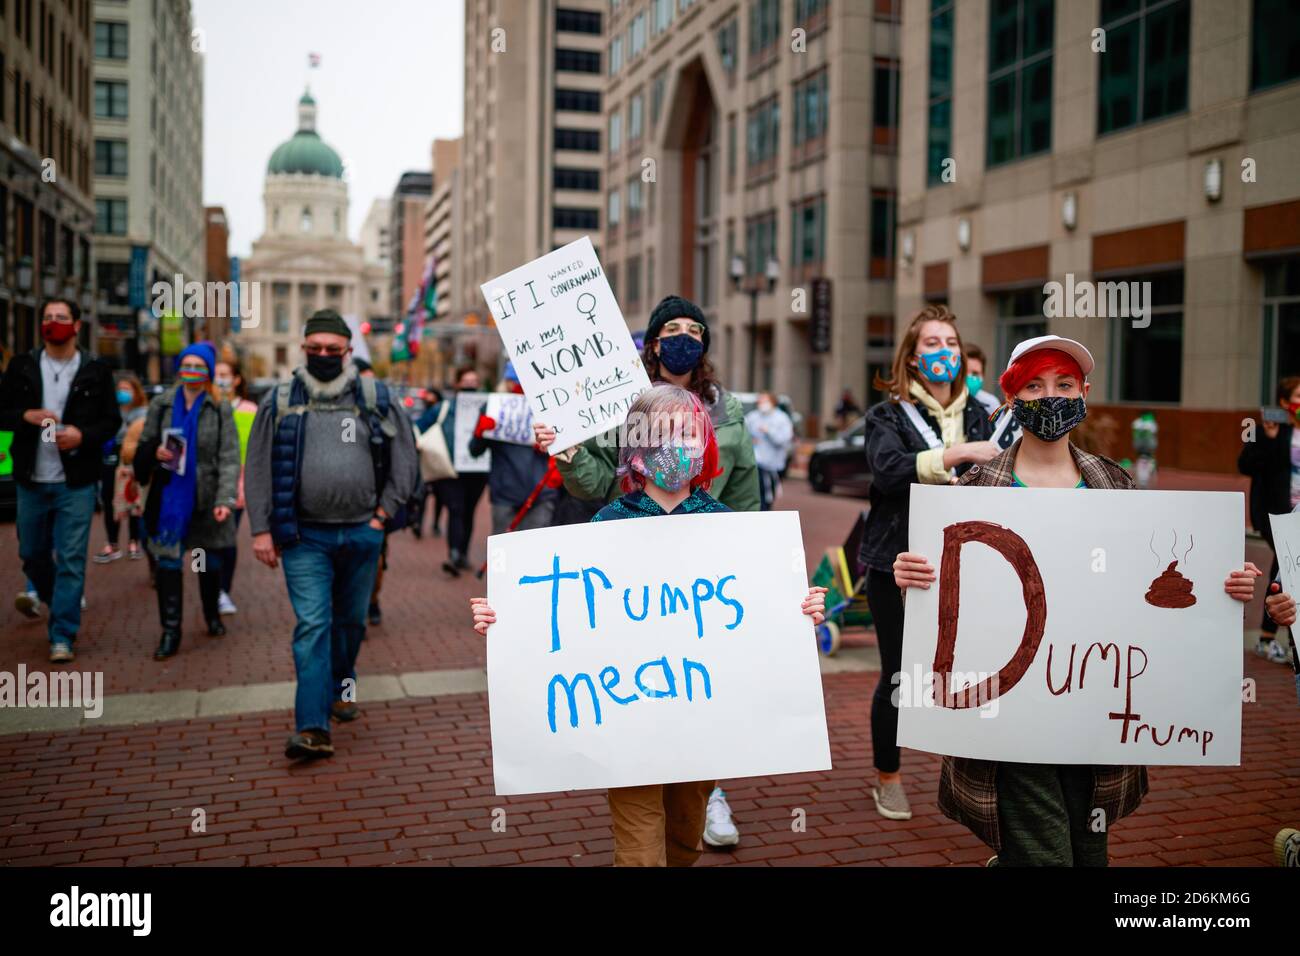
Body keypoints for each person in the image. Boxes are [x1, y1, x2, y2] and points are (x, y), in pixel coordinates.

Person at [892, 334, 1263, 866]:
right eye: (1035, 386)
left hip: (1094, 715)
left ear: (1085, 391)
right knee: (1049, 858)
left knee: (1089, 852)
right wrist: (915, 583)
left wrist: (1224, 590)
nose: (1051, 397)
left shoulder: (1114, 485)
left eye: (1064, 384)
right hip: (1008, 722)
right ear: (1012, 401)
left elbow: (1152, 594)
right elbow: (941, 620)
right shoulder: (972, 491)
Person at [473, 385, 828, 866]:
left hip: (700, 729)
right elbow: (565, 613)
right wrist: (507, 619)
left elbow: (758, 615)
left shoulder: (727, 527)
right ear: (635, 450)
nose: (676, 445)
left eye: (687, 433)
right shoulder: (606, 526)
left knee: (685, 840)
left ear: (705, 444)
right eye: (661, 433)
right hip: (628, 730)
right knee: (640, 853)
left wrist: (797, 610)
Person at [535, 294, 761, 845]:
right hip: (634, 557)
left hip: (704, 558)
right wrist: (566, 452)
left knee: (697, 679)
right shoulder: (621, 407)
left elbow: (748, 503)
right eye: (672, 329)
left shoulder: (728, 412)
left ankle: (710, 795)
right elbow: (597, 482)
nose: (685, 336)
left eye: (695, 329)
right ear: (653, 343)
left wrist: (759, 564)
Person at [245, 309, 419, 760]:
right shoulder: (280, 398)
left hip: (364, 532)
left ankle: (344, 687)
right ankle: (312, 727)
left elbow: (406, 457)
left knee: (349, 624)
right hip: (305, 538)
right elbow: (258, 464)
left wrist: (384, 515)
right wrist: (261, 529)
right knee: (313, 625)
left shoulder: (374, 396)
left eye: (332, 350)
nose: (323, 355)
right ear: (303, 349)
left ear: (347, 352)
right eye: (315, 349)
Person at [858, 303, 998, 821]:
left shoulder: (984, 414)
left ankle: (968, 774)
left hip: (969, 561)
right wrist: (960, 456)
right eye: (932, 344)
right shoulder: (886, 416)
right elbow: (890, 473)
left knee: (968, 667)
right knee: (898, 672)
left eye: (952, 344)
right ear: (912, 360)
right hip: (894, 561)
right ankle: (888, 777)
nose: (945, 352)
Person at [0, 298, 121, 663]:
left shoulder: (95, 370)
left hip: (76, 481)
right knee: (31, 554)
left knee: (70, 558)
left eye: (61, 318)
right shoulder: (22, 367)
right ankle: (59, 600)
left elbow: (110, 421)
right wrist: (25, 415)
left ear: (77, 326)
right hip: (31, 480)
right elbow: (2, 412)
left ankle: (62, 633)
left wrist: (83, 436)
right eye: (48, 318)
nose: (54, 323)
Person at [133, 343, 240, 660]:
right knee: (168, 562)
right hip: (169, 498)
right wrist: (154, 452)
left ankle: (211, 613)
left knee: (206, 562)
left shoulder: (219, 407)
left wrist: (225, 498)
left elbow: (229, 457)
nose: (191, 371)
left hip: (206, 499)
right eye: (186, 365)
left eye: (199, 366)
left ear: (208, 371)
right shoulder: (162, 404)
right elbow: (143, 444)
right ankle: (171, 631)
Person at [1238, 375, 1300, 664]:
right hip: (1275, 514)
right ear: (1285, 403)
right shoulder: (1269, 432)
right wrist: (1271, 438)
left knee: (1286, 570)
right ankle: (1285, 642)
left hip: (1298, 515)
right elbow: (1246, 465)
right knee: (1287, 568)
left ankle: (1269, 638)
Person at [470, 362, 559, 534]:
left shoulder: (550, 408)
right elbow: (474, 451)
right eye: (515, 381)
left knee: (536, 553)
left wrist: (549, 446)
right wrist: (480, 433)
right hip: (505, 496)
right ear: (507, 383)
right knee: (505, 554)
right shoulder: (493, 408)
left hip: (541, 494)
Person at [419, 365, 488, 576]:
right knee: (456, 510)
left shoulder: (487, 407)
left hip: (477, 471)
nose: (470, 386)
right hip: (452, 470)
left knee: (468, 512)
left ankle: (463, 552)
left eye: (474, 383)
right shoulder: (444, 408)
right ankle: (454, 553)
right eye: (466, 382)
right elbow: (419, 427)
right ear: (457, 384)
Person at [211, 359, 258, 616]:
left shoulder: (250, 410)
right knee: (206, 542)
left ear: (237, 379)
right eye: (216, 374)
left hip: (236, 485)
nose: (221, 379)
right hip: (207, 483)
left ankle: (222, 590)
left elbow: (255, 451)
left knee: (227, 538)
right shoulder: (207, 406)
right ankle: (207, 584)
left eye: (225, 374)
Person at [94, 373, 149, 563]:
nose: (122, 393)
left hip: (133, 458)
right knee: (109, 499)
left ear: (136, 391)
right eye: (120, 390)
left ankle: (134, 542)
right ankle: (112, 543)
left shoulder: (143, 413)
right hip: (110, 458)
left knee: (133, 499)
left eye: (127, 389)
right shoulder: (109, 412)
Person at [744, 391, 794, 511]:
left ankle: (765, 514)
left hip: (772, 466)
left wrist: (769, 431)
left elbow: (783, 440)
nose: (762, 403)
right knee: (756, 495)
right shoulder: (753, 416)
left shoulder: (781, 418)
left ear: (773, 402)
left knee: (768, 496)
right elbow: (743, 433)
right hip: (755, 463)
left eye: (765, 401)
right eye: (760, 401)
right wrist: (750, 440)